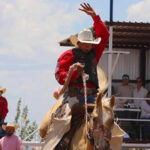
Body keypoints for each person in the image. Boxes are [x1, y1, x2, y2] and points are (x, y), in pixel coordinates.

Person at [41, 3, 109, 150]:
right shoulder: (68, 55)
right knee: (64, 122)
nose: (87, 46)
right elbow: (59, 75)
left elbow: (104, 35)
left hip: (92, 96)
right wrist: (73, 74)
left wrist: (95, 17)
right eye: (85, 44)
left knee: (108, 122)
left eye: (90, 44)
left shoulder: (94, 53)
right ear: (78, 43)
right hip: (73, 96)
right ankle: (60, 145)